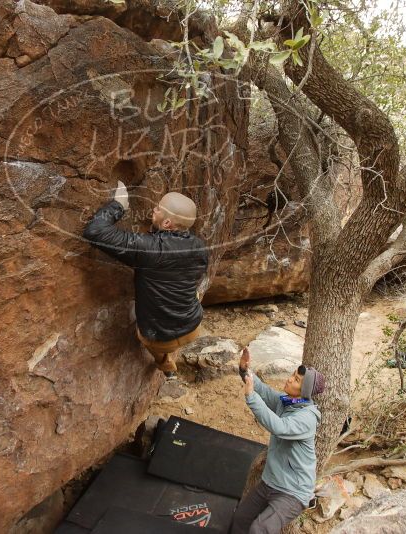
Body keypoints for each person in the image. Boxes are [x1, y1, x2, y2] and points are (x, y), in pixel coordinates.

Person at [82, 180, 208, 380]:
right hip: (193, 323)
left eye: (158, 209)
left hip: (159, 337)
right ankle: (169, 366)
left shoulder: (150, 249)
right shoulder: (199, 246)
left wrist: (118, 206)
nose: (153, 210)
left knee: (145, 336)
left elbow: (95, 231)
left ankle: (166, 366)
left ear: (167, 223)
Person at [231, 347, 323, 534]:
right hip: (271, 482)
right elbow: (264, 390)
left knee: (260, 529)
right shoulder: (287, 401)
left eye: (296, 380)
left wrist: (251, 397)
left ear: (303, 391)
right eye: (292, 375)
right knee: (241, 518)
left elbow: (279, 427)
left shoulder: (307, 418)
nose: (289, 379)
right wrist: (245, 370)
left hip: (293, 492)